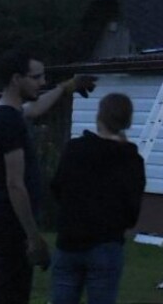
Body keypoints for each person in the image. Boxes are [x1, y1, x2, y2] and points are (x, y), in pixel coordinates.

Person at [0, 49, 97, 304]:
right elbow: (15, 184)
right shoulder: (8, 123)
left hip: (2, 221)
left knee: (0, 291)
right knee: (10, 294)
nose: (42, 83)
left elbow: (33, 109)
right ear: (15, 79)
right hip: (11, 225)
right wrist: (33, 236)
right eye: (36, 77)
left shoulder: (6, 113)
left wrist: (66, 87)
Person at [49, 92, 145, 304]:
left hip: (69, 241)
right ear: (127, 121)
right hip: (106, 244)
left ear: (99, 116)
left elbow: (57, 188)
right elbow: (132, 213)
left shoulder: (75, 149)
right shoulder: (131, 160)